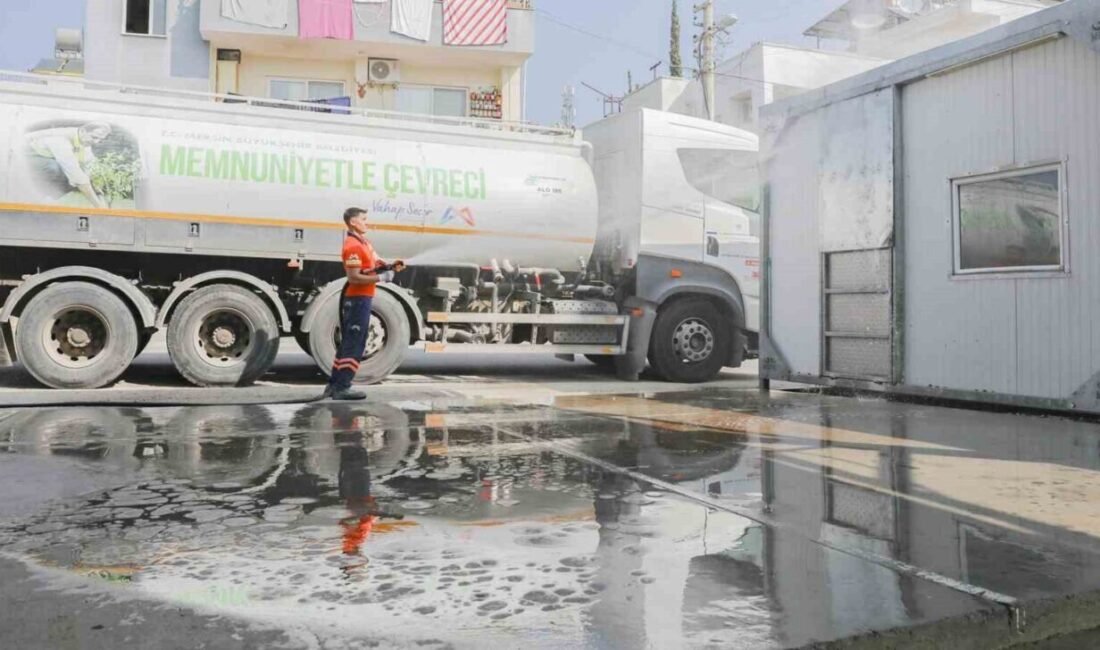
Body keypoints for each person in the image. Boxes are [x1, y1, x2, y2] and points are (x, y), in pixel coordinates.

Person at [323, 207, 404, 401]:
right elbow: (354, 277)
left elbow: (373, 264)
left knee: (350, 343)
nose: (367, 222)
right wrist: (382, 278)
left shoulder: (364, 243)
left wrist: (390, 266)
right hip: (357, 299)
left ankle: (334, 385)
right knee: (354, 344)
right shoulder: (352, 246)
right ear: (352, 222)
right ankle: (342, 387)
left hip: (363, 299)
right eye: (364, 219)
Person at [25, 122, 112, 208]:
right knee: (55, 168)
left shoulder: (84, 142)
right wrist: (99, 207)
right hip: (25, 155)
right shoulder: (60, 139)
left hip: (46, 160)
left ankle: (43, 199)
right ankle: (32, 196)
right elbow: (77, 176)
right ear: (83, 131)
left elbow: (90, 170)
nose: (96, 142)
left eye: (100, 140)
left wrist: (100, 195)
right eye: (94, 137)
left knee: (73, 177)